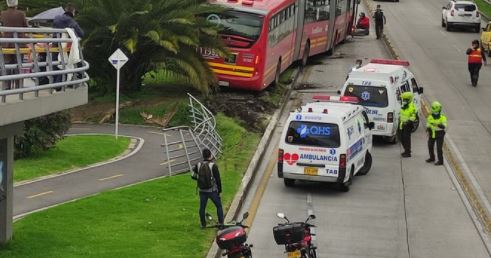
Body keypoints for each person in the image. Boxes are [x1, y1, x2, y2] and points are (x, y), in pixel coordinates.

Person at [52, 3, 84, 86]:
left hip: (55, 44)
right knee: (65, 64)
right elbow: (81, 33)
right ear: (72, 12)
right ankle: (61, 84)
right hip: (65, 47)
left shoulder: (56, 18)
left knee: (56, 64)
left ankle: (55, 84)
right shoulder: (70, 20)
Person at [192, 148, 224, 228]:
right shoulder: (213, 165)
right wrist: (219, 191)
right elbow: (218, 179)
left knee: (202, 208)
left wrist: (199, 179)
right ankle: (221, 223)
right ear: (210, 155)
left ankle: (203, 224)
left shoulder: (198, 165)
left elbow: (193, 176)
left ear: (203, 156)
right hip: (212, 191)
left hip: (202, 191)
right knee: (219, 206)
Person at [0, 0, 28, 90]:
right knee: (18, 65)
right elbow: (25, 27)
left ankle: (6, 86)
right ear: (16, 3)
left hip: (6, 43)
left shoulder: (3, 14)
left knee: (7, 66)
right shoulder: (21, 14)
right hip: (19, 43)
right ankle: (18, 86)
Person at [426, 101, 447, 166]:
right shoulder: (430, 117)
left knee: (439, 148)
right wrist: (428, 128)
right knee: (430, 146)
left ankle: (440, 161)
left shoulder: (442, 117)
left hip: (440, 134)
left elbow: (444, 126)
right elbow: (428, 124)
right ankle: (432, 158)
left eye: (436, 111)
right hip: (432, 133)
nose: (435, 113)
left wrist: (437, 124)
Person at [399, 92, 417, 158]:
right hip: (402, 124)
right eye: (403, 99)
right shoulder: (404, 105)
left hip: (407, 125)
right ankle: (406, 150)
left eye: (405, 99)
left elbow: (413, 117)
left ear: (409, 99)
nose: (404, 100)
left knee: (406, 139)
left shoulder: (411, 107)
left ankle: (408, 152)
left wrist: (408, 121)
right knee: (401, 138)